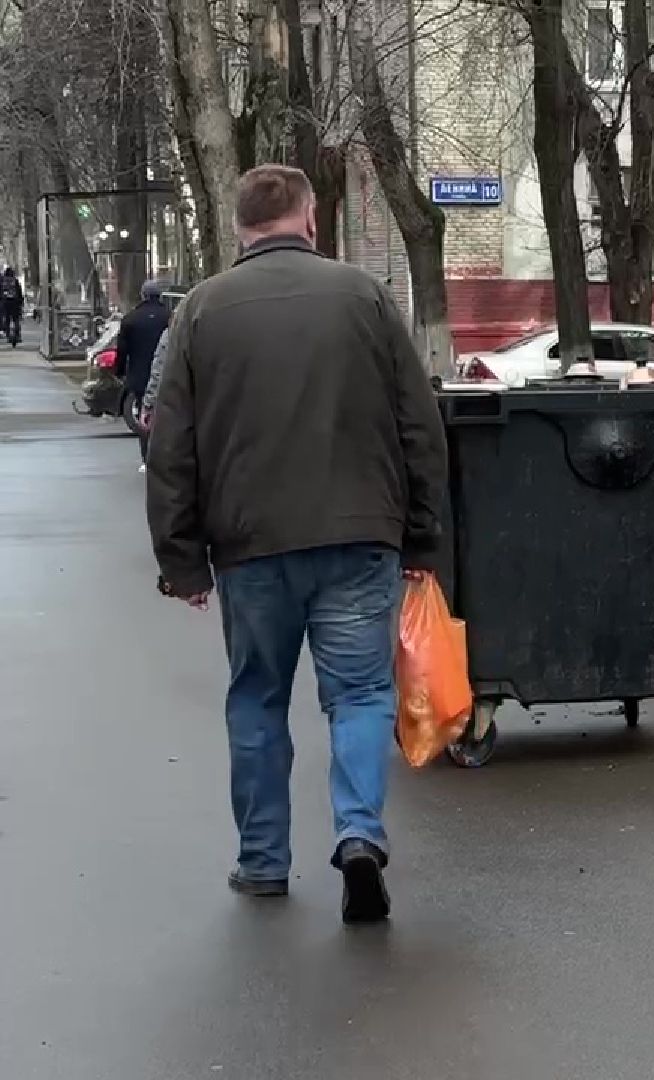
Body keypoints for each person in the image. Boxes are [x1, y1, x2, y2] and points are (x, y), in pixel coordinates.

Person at [146, 164, 448, 925]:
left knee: (257, 699)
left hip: (250, 548)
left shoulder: (203, 312)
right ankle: (357, 835)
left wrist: (180, 559)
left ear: (240, 224)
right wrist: (422, 535)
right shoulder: (364, 296)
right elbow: (419, 424)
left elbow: (171, 444)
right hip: (359, 537)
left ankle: (263, 863)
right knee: (361, 694)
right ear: (309, 218)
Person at [115, 280, 171, 466]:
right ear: (160, 296)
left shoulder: (131, 319)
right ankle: (166, 454)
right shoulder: (170, 317)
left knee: (144, 415)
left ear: (143, 295)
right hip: (168, 373)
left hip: (140, 376)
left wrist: (120, 372)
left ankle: (147, 457)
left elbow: (122, 350)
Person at [0, 266, 23, 346]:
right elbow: (19, 292)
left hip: (5, 302)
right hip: (15, 302)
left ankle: (8, 335)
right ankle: (17, 335)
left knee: (7, 319)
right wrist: (21, 302)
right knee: (16, 319)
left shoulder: (2, 281)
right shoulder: (15, 281)